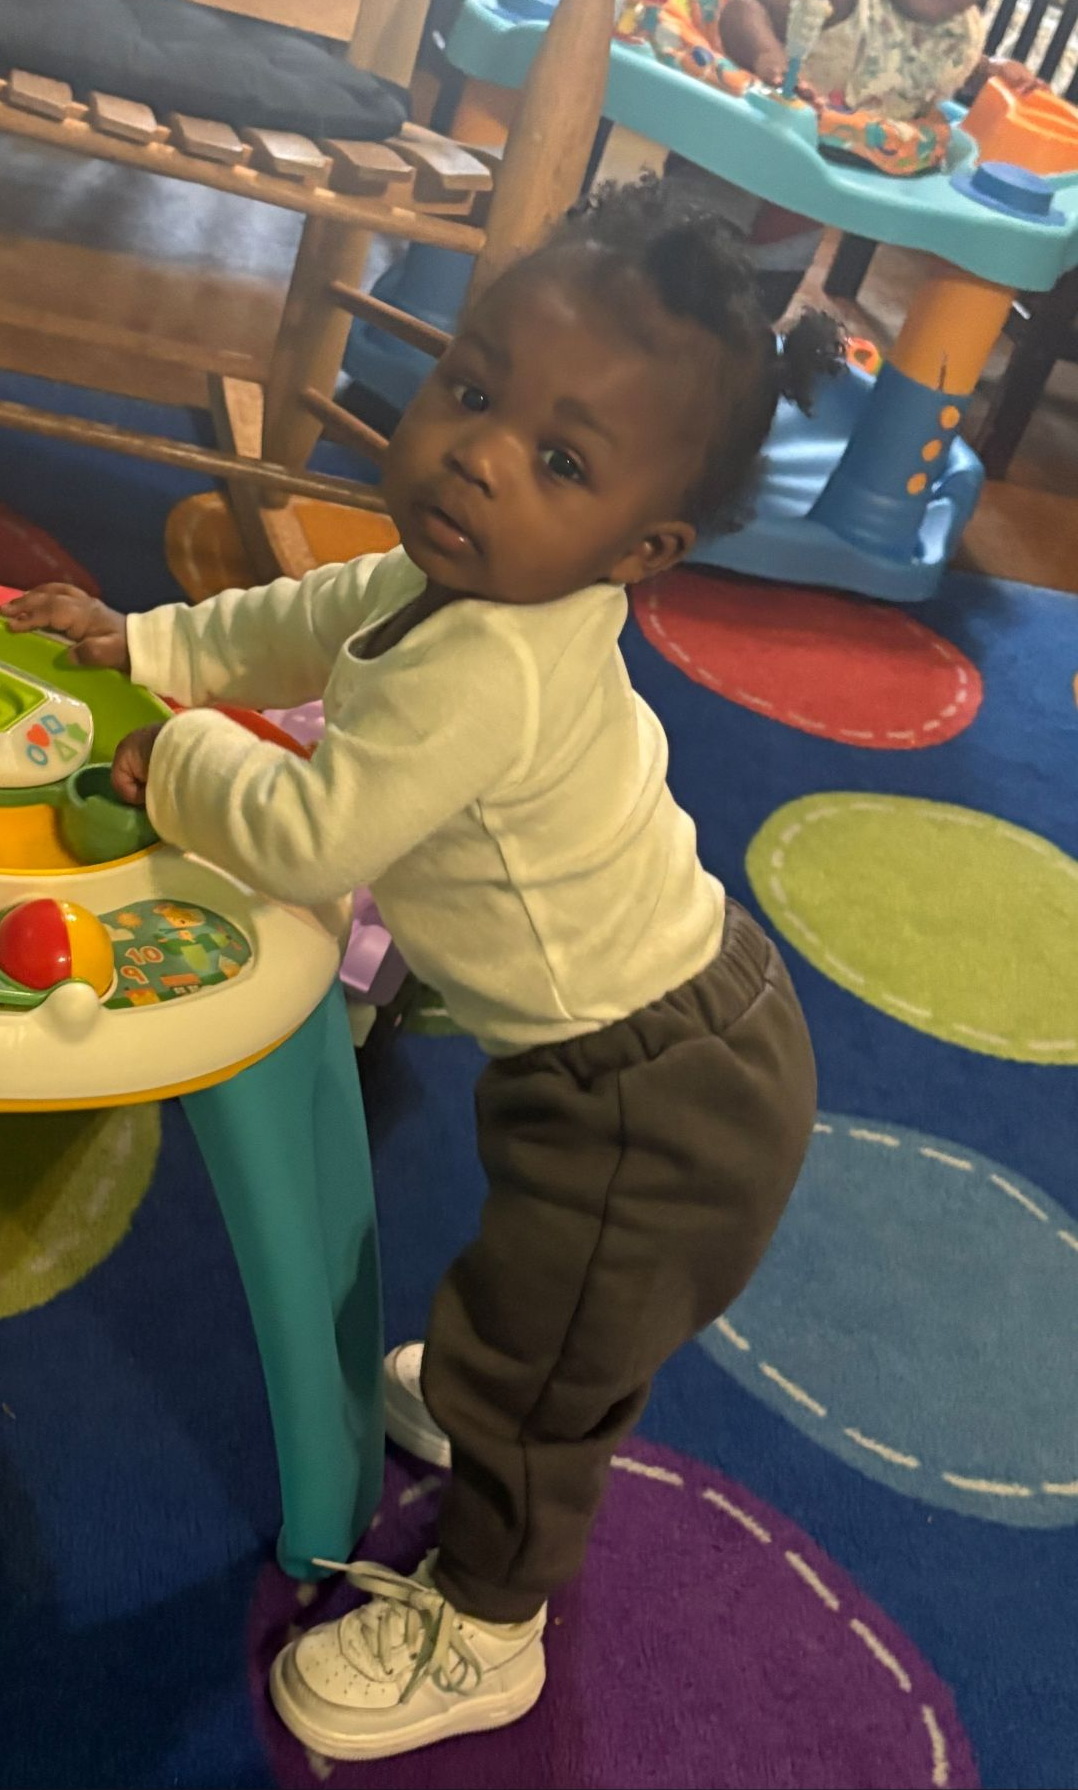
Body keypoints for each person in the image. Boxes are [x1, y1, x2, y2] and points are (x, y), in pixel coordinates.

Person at [3, 175, 839, 1764]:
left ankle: (486, 1624)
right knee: (529, 1310)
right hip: (658, 1018)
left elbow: (314, 835)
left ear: (639, 546)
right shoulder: (446, 583)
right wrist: (155, 645)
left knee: (550, 1362)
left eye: (560, 457)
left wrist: (168, 763)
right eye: (472, 387)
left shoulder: (494, 664)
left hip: (650, 1093)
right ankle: (482, 1388)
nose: (476, 452)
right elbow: (316, 616)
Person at [699, 0, 1041, 317]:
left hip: (816, 191)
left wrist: (986, 74)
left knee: (759, 307)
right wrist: (769, 58)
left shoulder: (956, 28)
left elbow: (935, 63)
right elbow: (746, 8)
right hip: (741, 157)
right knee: (686, 272)